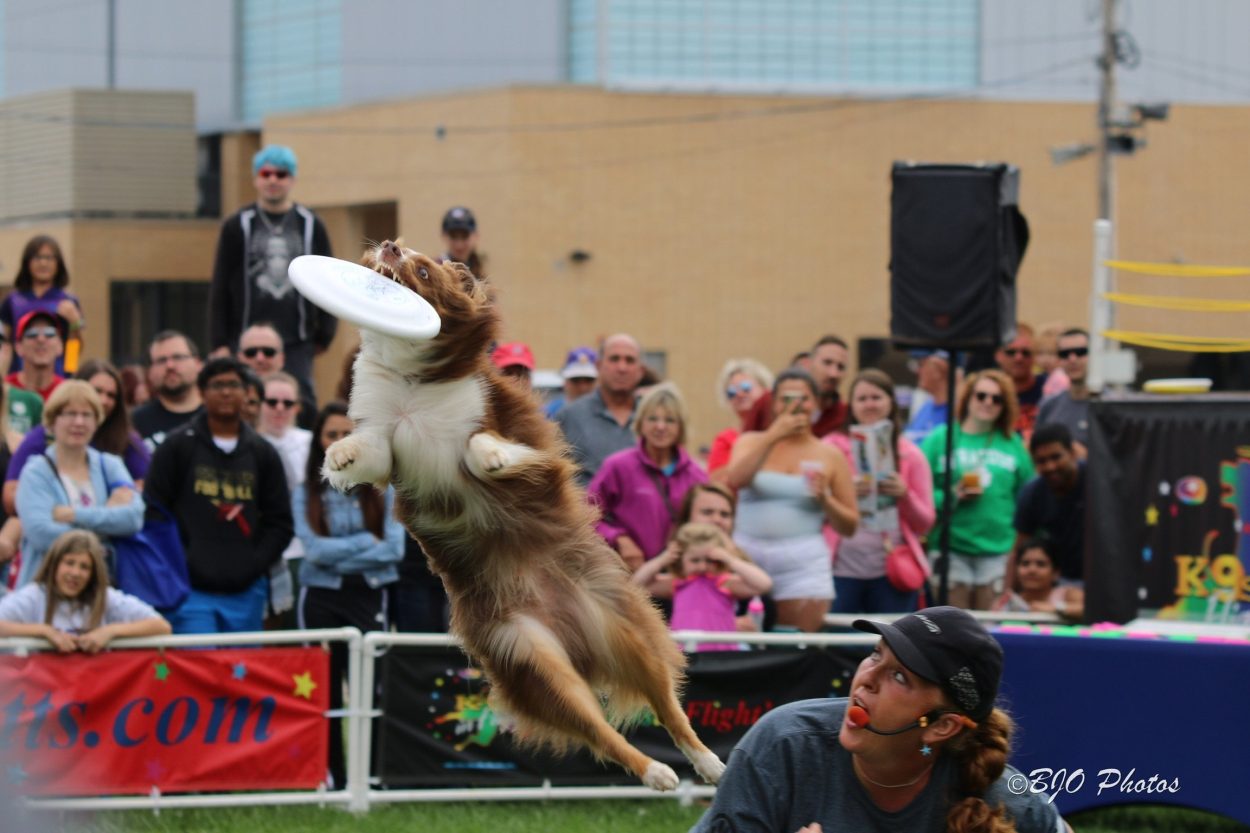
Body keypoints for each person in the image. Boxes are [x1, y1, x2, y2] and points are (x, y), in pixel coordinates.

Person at [690, 606, 1067, 833]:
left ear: (942, 726)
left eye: (900, 676)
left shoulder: (1000, 797)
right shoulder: (783, 745)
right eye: (875, 655)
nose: (866, 678)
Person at [294, 402, 403, 789]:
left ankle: (369, 776)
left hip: (371, 594)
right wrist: (363, 542)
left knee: (370, 687)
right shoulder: (304, 492)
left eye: (347, 433)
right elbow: (313, 550)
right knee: (324, 689)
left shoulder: (383, 487)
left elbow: (394, 549)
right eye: (331, 434)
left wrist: (337, 552)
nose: (340, 441)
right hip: (321, 597)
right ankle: (331, 777)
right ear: (318, 442)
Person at [143, 358, 293, 634]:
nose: (226, 392)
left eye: (234, 385)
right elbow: (154, 513)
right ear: (201, 393)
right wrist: (179, 562)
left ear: (247, 392)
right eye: (217, 385)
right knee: (198, 672)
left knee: (240, 674)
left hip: (248, 593)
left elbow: (280, 523)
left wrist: (253, 563)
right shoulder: (177, 446)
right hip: (189, 592)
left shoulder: (263, 453)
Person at [725, 369, 858, 632]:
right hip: (746, 555)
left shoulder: (830, 454)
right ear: (773, 403)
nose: (795, 404)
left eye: (803, 398)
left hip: (802, 562)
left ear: (816, 403)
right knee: (737, 641)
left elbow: (850, 526)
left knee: (798, 644)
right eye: (786, 397)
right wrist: (774, 434)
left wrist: (826, 499)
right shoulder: (751, 441)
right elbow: (735, 478)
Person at [209, 145, 335, 399]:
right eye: (266, 173)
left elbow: (328, 280)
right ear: (256, 178)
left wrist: (324, 334)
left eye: (281, 174)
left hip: (296, 341)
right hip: (245, 342)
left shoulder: (310, 224)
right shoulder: (238, 225)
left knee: (297, 404)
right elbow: (220, 284)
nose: (273, 180)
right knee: (243, 401)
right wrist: (220, 342)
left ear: (292, 179)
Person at [14, 381, 145, 587]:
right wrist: (104, 530)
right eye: (69, 414)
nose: (79, 422)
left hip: (99, 593)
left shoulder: (110, 465)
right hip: (44, 592)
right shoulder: (36, 472)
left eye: (87, 415)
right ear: (52, 420)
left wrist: (74, 514)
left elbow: (134, 518)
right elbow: (41, 533)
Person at [825, 370, 935, 614]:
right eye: (862, 399)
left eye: (876, 397)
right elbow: (813, 504)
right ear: (851, 405)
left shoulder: (911, 455)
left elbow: (925, 523)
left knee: (893, 641)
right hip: (839, 568)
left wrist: (905, 495)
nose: (869, 404)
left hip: (892, 568)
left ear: (891, 403)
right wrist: (844, 492)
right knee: (836, 643)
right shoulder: (831, 448)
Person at [922, 370, 1033, 611]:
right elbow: (919, 494)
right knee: (954, 628)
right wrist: (951, 496)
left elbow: (1028, 496)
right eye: (981, 395)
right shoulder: (941, 438)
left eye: (997, 398)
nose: (988, 402)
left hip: (999, 551)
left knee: (988, 630)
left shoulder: (1012, 443)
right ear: (967, 398)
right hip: (950, 548)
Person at [4, 359, 150, 516]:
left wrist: (111, 501)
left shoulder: (116, 453)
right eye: (97, 391)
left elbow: (147, 489)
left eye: (111, 395)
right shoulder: (43, 441)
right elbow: (11, 496)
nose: (103, 400)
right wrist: (48, 501)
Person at [588, 383, 707, 571]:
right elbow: (585, 514)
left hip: (678, 577)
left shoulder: (696, 475)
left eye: (670, 420)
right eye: (652, 418)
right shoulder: (618, 466)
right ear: (640, 422)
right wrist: (618, 538)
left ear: (681, 426)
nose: (660, 427)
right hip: (627, 573)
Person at [0, 530, 169, 652]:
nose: (75, 573)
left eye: (84, 567)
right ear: (54, 564)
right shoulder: (35, 595)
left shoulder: (105, 597)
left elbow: (161, 626)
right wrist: (44, 632)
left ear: (94, 573)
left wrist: (109, 632)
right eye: (69, 563)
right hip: (42, 695)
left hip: (93, 692)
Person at [631, 521, 772, 650]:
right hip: (686, 655)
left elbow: (764, 584)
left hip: (722, 656)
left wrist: (731, 559)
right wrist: (662, 560)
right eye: (695, 560)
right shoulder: (677, 583)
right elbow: (636, 585)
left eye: (710, 560)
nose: (702, 566)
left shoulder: (724, 582)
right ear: (680, 559)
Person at [556, 333, 646, 486]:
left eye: (629, 360)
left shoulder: (654, 417)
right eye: (614, 359)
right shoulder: (569, 417)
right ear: (598, 366)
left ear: (640, 371)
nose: (622, 367)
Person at [1009, 422, 1086, 590]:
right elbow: (1019, 548)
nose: (1050, 466)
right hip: (1059, 582)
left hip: (1101, 579)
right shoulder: (1032, 493)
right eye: (1041, 461)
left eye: (1056, 457)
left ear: (1072, 453)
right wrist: (1007, 595)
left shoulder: (1097, 481)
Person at [0, 235, 84, 377]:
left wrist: (75, 324)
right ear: (27, 262)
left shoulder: (67, 301)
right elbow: (6, 344)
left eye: (49, 258)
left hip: (56, 378)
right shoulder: (13, 300)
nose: (43, 263)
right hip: (19, 377)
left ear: (58, 263)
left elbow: (73, 351)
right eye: (37, 257)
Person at [131, 330, 204, 451]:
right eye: (161, 360)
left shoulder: (219, 417)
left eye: (178, 357)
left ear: (198, 363)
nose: (170, 366)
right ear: (150, 371)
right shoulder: (135, 423)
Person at [237, 322, 316, 430]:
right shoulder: (226, 403)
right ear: (239, 358)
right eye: (251, 352)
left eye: (268, 352)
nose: (260, 358)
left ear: (282, 358)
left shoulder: (306, 409)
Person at [707, 358, 773, 476]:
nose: (739, 394)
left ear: (765, 388)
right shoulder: (725, 439)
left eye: (746, 387)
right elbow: (718, 480)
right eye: (731, 392)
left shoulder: (783, 430)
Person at [992, 538, 1084, 621]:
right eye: (1025, 563)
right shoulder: (1007, 602)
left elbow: (1091, 609)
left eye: (1041, 564)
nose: (1032, 570)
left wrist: (1055, 608)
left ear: (1056, 573)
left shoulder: (1067, 594)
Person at [1037, 328, 1091, 451]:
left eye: (1081, 352)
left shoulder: (1111, 405)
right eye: (1065, 354)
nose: (1072, 359)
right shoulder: (1048, 405)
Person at [995, 324, 1047, 440]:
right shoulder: (986, 392)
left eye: (1026, 353)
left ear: (1035, 356)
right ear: (998, 355)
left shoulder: (1049, 389)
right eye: (1011, 352)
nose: (1018, 358)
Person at [6, 310, 66, 402]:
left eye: (49, 333)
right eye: (32, 334)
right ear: (18, 347)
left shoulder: (67, 392)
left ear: (60, 346)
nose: (41, 339)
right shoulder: (5, 389)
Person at [902, 350, 951, 445]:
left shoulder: (956, 411)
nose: (917, 371)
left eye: (921, 365)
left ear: (940, 367)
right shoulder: (926, 406)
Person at [810, 335, 850, 437]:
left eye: (840, 367)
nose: (833, 374)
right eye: (827, 363)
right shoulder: (772, 402)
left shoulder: (846, 416)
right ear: (810, 363)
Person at [544, 346, 598, 418]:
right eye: (575, 380)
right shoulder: (549, 413)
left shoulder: (611, 413)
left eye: (589, 380)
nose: (582, 387)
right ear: (565, 381)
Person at [440, 205, 486, 277]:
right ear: (444, 236)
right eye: (453, 236)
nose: (459, 245)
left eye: (465, 236)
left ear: (476, 236)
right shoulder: (437, 270)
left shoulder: (479, 271)